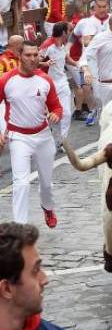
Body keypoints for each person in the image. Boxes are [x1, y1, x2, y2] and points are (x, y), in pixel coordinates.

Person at [0, 42, 63, 227]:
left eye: (36, 55)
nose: (33, 58)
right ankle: (20, 227)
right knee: (21, 183)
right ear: (20, 56)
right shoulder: (6, 80)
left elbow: (56, 106)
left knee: (46, 184)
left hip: (43, 136)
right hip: (19, 137)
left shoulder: (45, 80)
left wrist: (56, 114)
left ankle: (48, 207)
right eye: (28, 55)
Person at [39, 22, 74, 150]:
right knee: (54, 115)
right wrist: (45, 63)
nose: (70, 33)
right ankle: (56, 139)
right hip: (49, 85)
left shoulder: (63, 45)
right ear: (64, 32)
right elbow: (34, 60)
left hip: (62, 82)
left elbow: (67, 59)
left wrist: (80, 65)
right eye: (68, 31)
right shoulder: (47, 45)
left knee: (67, 113)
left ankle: (63, 141)